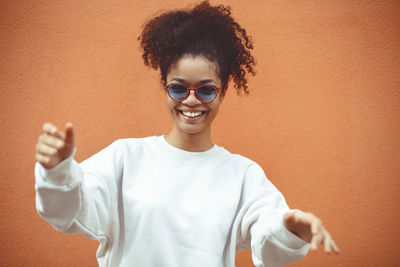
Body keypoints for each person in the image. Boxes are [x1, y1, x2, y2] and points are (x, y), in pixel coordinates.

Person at [34, 1, 339, 267]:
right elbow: (67, 211)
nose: (191, 100)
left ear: (223, 91)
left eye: (206, 90)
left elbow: (269, 243)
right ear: (164, 86)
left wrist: (290, 227)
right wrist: (58, 172)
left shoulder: (243, 174)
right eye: (178, 88)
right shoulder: (125, 158)